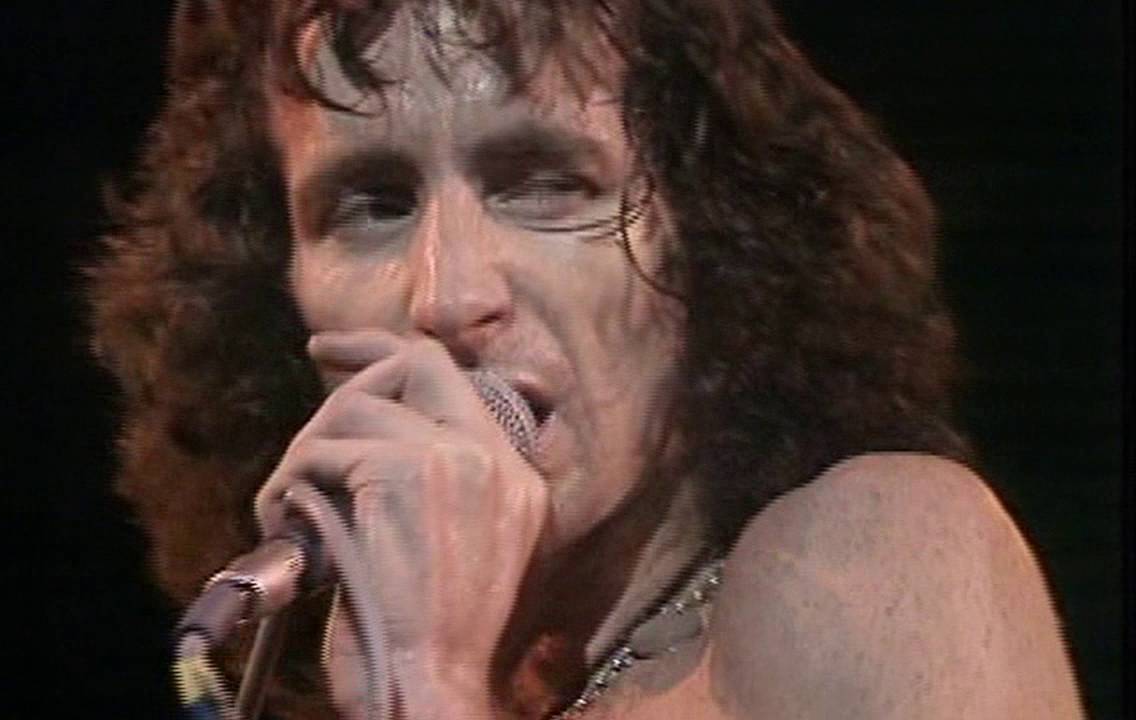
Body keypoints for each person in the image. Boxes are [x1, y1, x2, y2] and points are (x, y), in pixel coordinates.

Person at [87, 0, 1083, 717]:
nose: (445, 297)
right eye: (373, 204)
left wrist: (430, 685)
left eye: (543, 184)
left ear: (711, 242)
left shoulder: (872, 546)